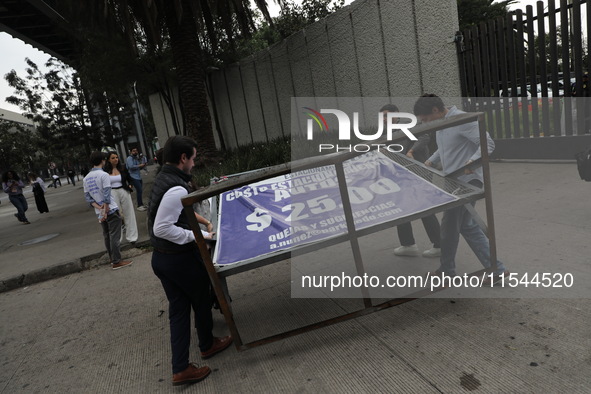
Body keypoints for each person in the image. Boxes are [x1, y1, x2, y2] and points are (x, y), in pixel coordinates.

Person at [149, 135, 231, 386]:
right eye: (193, 158)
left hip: (163, 260)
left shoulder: (165, 179)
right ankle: (207, 345)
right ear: (183, 158)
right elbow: (162, 228)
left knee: (179, 312)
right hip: (178, 260)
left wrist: (204, 222)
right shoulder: (176, 187)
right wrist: (200, 236)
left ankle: (180, 367)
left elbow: (178, 208)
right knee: (202, 300)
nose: (194, 164)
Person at [414, 94, 509, 281]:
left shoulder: (461, 120)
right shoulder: (441, 123)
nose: (425, 123)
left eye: (425, 119)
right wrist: (430, 162)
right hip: (454, 182)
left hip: (468, 181)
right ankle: (497, 269)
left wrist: (472, 162)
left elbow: (487, 142)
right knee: (467, 226)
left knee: (449, 226)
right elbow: (444, 149)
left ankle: (446, 271)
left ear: (435, 110)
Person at [380, 104, 441, 258]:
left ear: (398, 113)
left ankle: (440, 245)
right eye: (383, 117)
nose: (385, 119)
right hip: (401, 177)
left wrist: (411, 150)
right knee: (401, 209)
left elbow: (424, 137)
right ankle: (408, 244)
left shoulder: (409, 124)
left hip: (417, 173)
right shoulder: (388, 132)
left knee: (425, 209)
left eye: (388, 115)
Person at [83, 151, 133, 271]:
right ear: (102, 161)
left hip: (99, 212)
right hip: (110, 210)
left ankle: (112, 259)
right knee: (114, 236)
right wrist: (105, 210)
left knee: (107, 236)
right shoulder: (103, 175)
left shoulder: (86, 178)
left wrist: (99, 208)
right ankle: (117, 261)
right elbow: (106, 195)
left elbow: (88, 198)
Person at [104, 151, 139, 245]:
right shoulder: (105, 171)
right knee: (116, 216)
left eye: (116, 157)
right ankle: (117, 240)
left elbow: (129, 178)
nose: (116, 159)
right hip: (112, 193)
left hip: (124, 191)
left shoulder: (122, 168)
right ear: (108, 160)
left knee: (129, 213)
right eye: (113, 158)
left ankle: (132, 238)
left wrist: (131, 185)